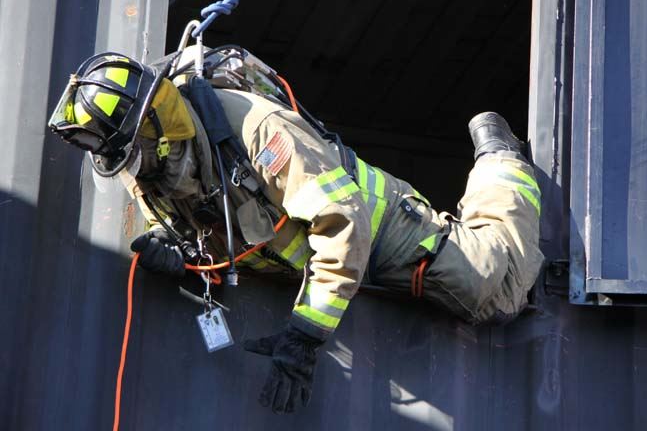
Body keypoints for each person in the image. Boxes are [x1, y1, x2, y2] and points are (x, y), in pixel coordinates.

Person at [48, 50, 544, 414]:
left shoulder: (259, 130)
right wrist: (179, 254)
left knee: (492, 289)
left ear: (158, 124)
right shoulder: (148, 168)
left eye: (130, 150)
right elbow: (204, 228)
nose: (127, 167)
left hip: (372, 221)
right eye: (114, 155)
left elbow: (342, 222)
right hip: (302, 255)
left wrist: (305, 336)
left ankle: (499, 159)